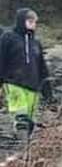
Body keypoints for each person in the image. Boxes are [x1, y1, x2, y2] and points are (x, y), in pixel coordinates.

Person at [0, 8, 52, 139]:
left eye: (35, 21)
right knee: (21, 115)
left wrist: (47, 89)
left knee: (30, 120)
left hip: (33, 86)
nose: (33, 24)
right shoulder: (8, 38)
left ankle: (23, 151)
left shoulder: (36, 43)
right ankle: (21, 142)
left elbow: (42, 67)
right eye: (30, 21)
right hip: (13, 82)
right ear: (22, 21)